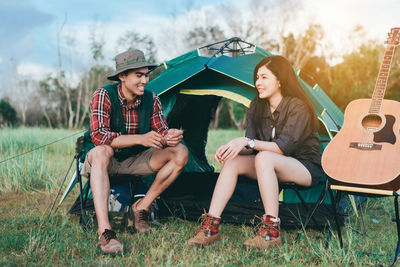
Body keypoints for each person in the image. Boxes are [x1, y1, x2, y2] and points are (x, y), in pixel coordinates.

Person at [188, 55, 323, 249]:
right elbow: (251, 146)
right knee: (234, 162)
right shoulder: (257, 106)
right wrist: (232, 148)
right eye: (257, 77)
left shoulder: (297, 106)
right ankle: (211, 226)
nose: (258, 82)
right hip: (267, 163)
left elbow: (282, 148)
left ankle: (271, 231)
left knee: (265, 157)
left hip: (304, 167)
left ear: (279, 80)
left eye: (264, 77)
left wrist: (247, 142)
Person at [81, 49, 189, 255]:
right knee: (102, 151)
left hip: (136, 160)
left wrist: (168, 136)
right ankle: (105, 231)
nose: (145, 80)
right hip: (105, 162)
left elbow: (160, 130)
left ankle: (142, 207)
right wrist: (142, 138)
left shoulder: (152, 99)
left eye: (146, 75)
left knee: (180, 152)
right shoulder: (103, 94)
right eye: (138, 75)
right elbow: (99, 137)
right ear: (122, 76)